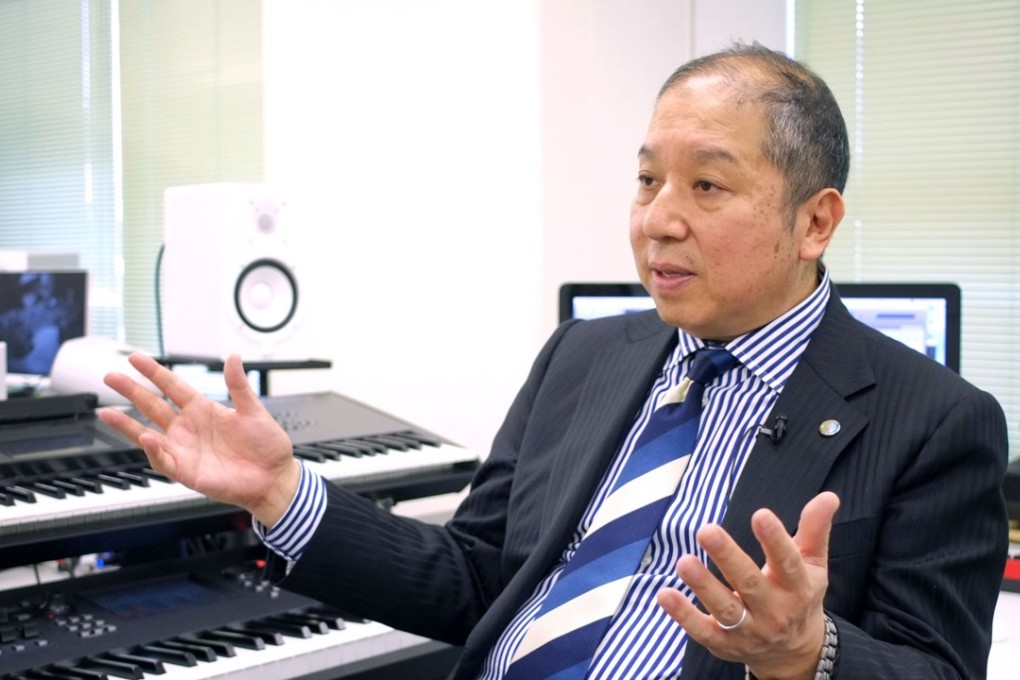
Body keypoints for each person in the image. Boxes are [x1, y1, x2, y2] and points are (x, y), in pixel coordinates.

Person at [99, 43, 1009, 680]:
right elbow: (475, 578)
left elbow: (935, 667)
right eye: (647, 178)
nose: (657, 218)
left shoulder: (933, 420)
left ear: (815, 222)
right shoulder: (587, 355)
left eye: (707, 185)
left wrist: (804, 656)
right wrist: (282, 495)